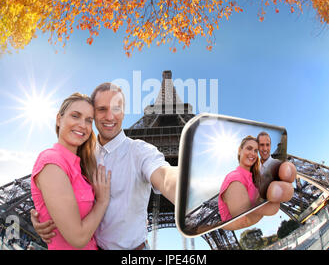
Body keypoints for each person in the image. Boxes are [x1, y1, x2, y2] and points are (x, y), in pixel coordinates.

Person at [31, 83, 297, 249]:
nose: (109, 116)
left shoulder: (139, 150)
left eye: (117, 108)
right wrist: (43, 216)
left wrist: (207, 195)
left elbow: (166, 176)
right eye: (100, 110)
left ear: (124, 112)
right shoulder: (79, 158)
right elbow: (63, 194)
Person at [30, 93, 111, 250]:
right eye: (75, 116)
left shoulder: (81, 166)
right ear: (59, 119)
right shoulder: (51, 163)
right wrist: (102, 202)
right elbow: (78, 238)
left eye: (89, 120)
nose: (83, 124)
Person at [218, 136, 261, 223]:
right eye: (249, 148)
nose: (253, 153)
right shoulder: (235, 178)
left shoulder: (253, 177)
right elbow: (244, 220)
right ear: (239, 150)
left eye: (256, 151)